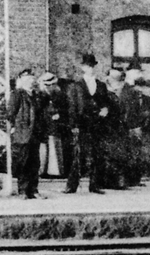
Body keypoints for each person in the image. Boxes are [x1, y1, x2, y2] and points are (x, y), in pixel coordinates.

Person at [65, 53, 109, 194]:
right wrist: (74, 125)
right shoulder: (75, 86)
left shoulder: (101, 85)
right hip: (82, 124)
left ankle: (94, 185)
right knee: (79, 155)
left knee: (97, 154)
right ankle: (71, 186)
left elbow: (105, 103)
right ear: (82, 67)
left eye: (92, 66)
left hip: (97, 124)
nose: (90, 68)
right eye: (87, 66)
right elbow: (72, 108)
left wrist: (105, 109)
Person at [8, 68, 44, 199]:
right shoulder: (17, 94)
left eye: (32, 79)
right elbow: (10, 114)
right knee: (23, 162)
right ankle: (23, 190)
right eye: (27, 79)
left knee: (35, 163)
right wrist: (15, 128)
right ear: (21, 81)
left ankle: (33, 190)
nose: (30, 81)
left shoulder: (36, 95)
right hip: (22, 134)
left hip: (35, 133)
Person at [35, 72, 67, 178]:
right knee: (43, 147)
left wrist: (59, 114)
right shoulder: (39, 95)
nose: (49, 87)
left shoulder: (58, 95)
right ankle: (42, 170)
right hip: (43, 124)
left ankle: (54, 170)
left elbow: (64, 108)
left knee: (54, 145)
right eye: (47, 85)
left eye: (51, 84)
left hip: (54, 125)